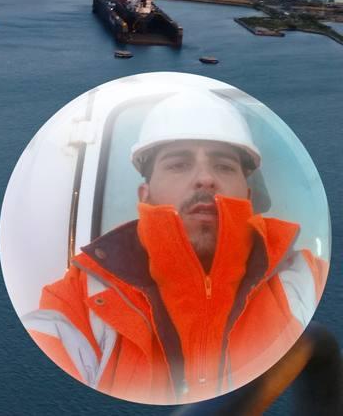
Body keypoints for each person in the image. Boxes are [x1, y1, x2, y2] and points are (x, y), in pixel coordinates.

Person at [25, 89, 328, 405]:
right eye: (179, 164)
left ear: (248, 196)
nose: (205, 179)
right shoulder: (77, 301)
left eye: (224, 166)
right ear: (144, 195)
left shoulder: (307, 279)